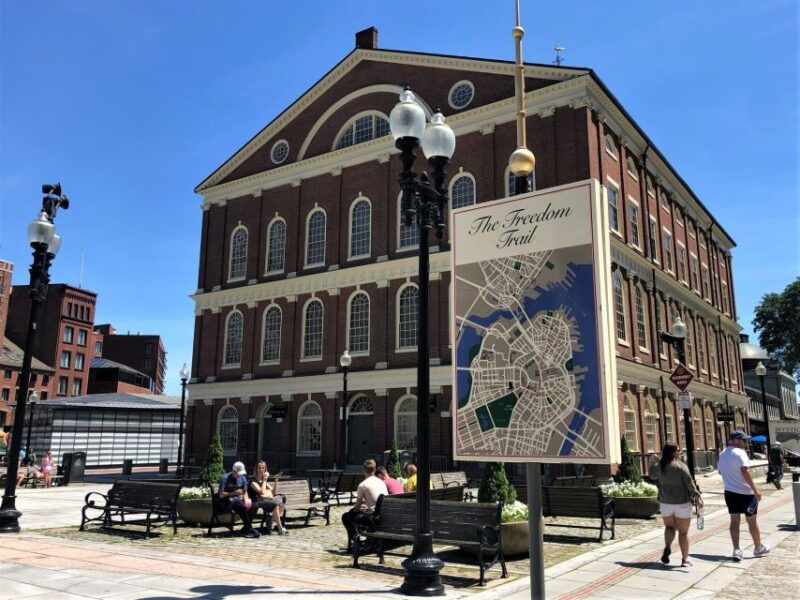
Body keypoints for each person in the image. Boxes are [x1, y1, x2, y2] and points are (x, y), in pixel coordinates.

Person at [648, 444, 703, 567]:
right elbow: (690, 484)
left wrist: (652, 463)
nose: (680, 452)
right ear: (673, 453)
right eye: (678, 450)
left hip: (665, 503)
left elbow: (652, 475)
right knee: (683, 533)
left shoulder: (660, 466)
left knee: (669, 528)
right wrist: (697, 497)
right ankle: (685, 559)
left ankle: (667, 547)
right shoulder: (680, 466)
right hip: (681, 502)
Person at [718, 430, 769, 560]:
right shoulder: (740, 453)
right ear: (735, 440)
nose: (746, 443)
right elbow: (745, 471)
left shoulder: (722, 454)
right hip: (746, 493)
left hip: (729, 492)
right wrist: (755, 490)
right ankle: (758, 547)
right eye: (744, 440)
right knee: (752, 522)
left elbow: (720, 471)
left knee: (734, 521)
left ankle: (736, 550)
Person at [341, 458, 388, 552]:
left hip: (373, 518)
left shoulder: (363, 485)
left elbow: (357, 507)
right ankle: (367, 540)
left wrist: (356, 510)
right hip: (384, 514)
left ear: (364, 470)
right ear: (375, 470)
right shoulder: (381, 482)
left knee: (346, 516)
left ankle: (356, 541)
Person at [217, 461, 260, 538]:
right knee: (239, 504)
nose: (240, 475)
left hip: (239, 502)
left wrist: (246, 500)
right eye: (238, 473)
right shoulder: (225, 478)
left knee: (254, 506)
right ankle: (249, 529)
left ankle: (246, 529)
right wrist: (233, 493)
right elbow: (221, 495)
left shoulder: (242, 478)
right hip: (226, 502)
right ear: (234, 471)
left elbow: (245, 491)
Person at [250, 460, 288, 535]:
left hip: (268, 500)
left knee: (281, 501)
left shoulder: (265, 482)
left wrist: (276, 481)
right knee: (275, 504)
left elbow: (273, 493)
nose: (261, 470)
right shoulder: (253, 481)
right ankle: (280, 528)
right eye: (259, 468)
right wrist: (265, 479)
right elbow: (262, 492)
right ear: (256, 469)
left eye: (263, 468)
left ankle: (270, 521)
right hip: (258, 502)